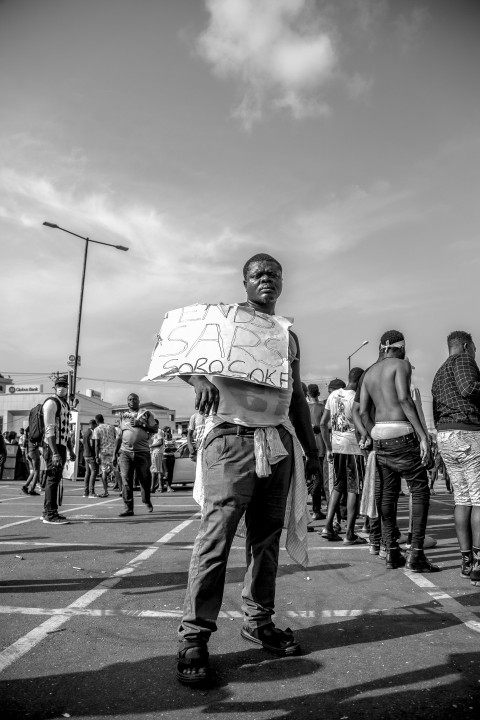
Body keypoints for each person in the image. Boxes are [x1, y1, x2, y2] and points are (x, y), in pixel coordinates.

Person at [174, 253, 320, 685]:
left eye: (274, 273)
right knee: (215, 539)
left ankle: (258, 621)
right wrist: (197, 380)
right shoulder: (225, 321)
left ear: (282, 281)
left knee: (266, 540)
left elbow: (294, 397)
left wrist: (310, 452)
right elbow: (174, 349)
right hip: (230, 439)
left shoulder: (287, 335)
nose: (267, 279)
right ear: (245, 283)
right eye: (258, 274)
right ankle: (193, 637)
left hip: (277, 442)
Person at [360, 330, 438, 572]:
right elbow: (405, 400)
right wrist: (423, 436)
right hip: (401, 434)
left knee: (388, 494)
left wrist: (375, 434)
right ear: (400, 346)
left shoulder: (369, 372)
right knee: (420, 489)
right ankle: (416, 554)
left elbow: (363, 412)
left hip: (380, 437)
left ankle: (391, 551)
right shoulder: (401, 365)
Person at [432, 331, 480, 586]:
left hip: (446, 435)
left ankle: (466, 561)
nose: (475, 353)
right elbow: (469, 387)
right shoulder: (463, 360)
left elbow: (435, 408)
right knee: (479, 499)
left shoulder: (439, 373)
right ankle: (479, 563)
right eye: (474, 348)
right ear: (465, 345)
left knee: (462, 498)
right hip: (468, 431)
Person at [320, 368, 367, 545]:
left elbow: (323, 423)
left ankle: (327, 526)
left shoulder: (333, 396)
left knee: (338, 486)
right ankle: (349, 533)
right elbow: (361, 420)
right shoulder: (356, 397)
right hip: (353, 447)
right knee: (354, 489)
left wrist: (328, 447)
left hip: (337, 446)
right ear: (360, 380)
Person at [113, 394, 158, 516]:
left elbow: (155, 428)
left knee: (144, 479)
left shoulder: (146, 413)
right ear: (127, 402)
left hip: (142, 452)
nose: (132, 401)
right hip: (125, 452)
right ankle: (128, 508)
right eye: (130, 399)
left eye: (135, 399)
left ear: (139, 401)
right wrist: (114, 454)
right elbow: (119, 436)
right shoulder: (122, 416)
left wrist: (141, 424)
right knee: (126, 480)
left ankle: (146, 500)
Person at [42, 375, 76, 525]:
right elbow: (49, 430)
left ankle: (48, 511)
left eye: (64, 385)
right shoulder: (51, 403)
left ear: (67, 387)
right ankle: (50, 514)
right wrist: (55, 452)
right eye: (59, 385)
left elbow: (66, 431)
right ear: (55, 387)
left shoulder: (65, 405)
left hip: (60, 446)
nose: (61, 387)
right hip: (52, 446)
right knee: (53, 479)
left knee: (55, 480)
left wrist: (70, 450)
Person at [306, 384, 326, 520]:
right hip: (320, 447)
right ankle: (316, 509)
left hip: (305, 447)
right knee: (318, 478)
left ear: (307, 395)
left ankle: (310, 510)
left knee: (306, 479)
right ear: (318, 393)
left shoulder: (304, 408)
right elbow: (327, 425)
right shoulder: (323, 408)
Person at [92, 414, 116, 498]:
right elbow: (115, 438)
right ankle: (122, 490)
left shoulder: (97, 429)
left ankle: (106, 491)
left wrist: (96, 456)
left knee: (104, 471)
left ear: (96, 421)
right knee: (116, 471)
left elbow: (97, 444)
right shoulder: (111, 427)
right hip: (112, 451)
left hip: (103, 452)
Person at [21, 427, 41, 496]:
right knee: (37, 472)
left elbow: (23, 446)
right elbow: (38, 444)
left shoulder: (26, 437)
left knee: (34, 471)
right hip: (34, 453)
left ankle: (25, 486)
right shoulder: (33, 436)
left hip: (28, 453)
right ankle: (32, 489)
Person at [82, 419, 98, 498]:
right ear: (94, 425)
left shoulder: (85, 433)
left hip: (85, 455)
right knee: (93, 472)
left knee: (87, 473)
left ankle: (85, 492)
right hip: (90, 455)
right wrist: (96, 454)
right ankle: (91, 492)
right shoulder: (92, 433)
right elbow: (92, 445)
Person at [150, 427, 165, 492]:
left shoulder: (158, 431)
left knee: (156, 470)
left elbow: (160, 442)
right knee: (156, 470)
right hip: (155, 452)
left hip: (157, 452)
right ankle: (155, 487)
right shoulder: (154, 432)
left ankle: (156, 487)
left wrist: (151, 446)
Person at [162, 427, 177, 492]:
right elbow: (164, 449)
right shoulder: (162, 440)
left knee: (171, 473)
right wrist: (171, 448)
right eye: (167, 431)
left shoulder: (173, 440)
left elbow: (176, 448)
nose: (168, 433)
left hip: (172, 457)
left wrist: (170, 449)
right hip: (165, 457)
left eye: (169, 431)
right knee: (167, 472)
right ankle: (165, 486)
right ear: (164, 432)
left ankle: (169, 486)